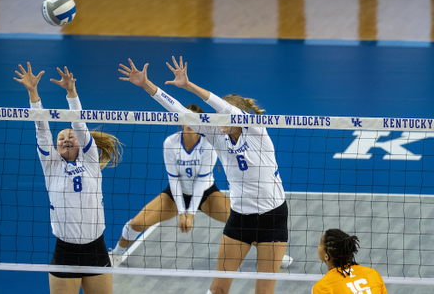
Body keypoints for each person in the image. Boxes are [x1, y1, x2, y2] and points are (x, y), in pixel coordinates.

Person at [119, 56, 290, 294]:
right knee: (218, 288)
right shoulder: (215, 134)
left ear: (239, 116)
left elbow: (225, 108)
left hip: (273, 218)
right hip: (241, 219)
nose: (217, 119)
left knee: (264, 291)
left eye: (222, 115)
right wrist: (148, 86)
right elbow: (179, 111)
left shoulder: (257, 131)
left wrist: (189, 85)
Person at [14, 62, 122, 294]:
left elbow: (79, 124)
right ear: (55, 147)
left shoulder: (90, 160)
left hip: (96, 249)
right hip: (66, 251)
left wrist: (71, 93)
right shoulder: (51, 165)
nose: (64, 140)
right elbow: (42, 130)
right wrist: (33, 93)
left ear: (80, 144)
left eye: (70, 137)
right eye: (60, 138)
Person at [110, 104, 231, 266]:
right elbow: (173, 179)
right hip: (175, 194)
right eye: (186, 118)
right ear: (181, 121)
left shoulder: (208, 143)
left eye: (194, 119)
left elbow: (201, 182)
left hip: (206, 193)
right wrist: (182, 213)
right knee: (136, 223)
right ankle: (116, 254)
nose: (190, 123)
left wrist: (191, 215)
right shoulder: (171, 142)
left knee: (243, 223)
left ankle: (273, 255)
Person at [313, 229, 388, 294]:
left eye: (320, 243)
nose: (317, 247)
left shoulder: (322, 287)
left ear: (327, 256)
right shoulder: (372, 274)